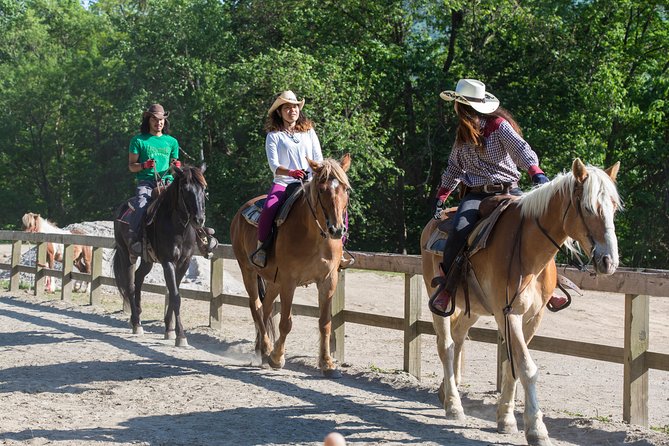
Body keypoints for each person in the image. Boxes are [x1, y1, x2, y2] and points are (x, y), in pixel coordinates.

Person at [431, 78, 567, 314]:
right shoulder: (462, 135)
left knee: (538, 227)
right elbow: (454, 168)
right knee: (459, 231)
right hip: (476, 196)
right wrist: (442, 194)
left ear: (460, 106)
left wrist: (536, 173)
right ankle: (448, 288)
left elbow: (521, 149)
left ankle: (547, 284)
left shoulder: (498, 126)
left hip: (509, 191)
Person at [127, 103, 217, 257]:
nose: (159, 122)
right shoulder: (138, 140)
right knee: (141, 204)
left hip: (168, 182)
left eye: (161, 119)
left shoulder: (172, 142)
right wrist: (143, 165)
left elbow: (175, 164)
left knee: (188, 200)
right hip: (147, 182)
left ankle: (202, 236)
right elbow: (131, 166)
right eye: (155, 119)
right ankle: (136, 240)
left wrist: (176, 165)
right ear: (148, 120)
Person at [250, 90, 325, 268]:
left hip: (309, 182)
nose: (293, 110)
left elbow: (318, 157)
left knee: (335, 202)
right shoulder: (273, 136)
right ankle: (261, 249)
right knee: (269, 208)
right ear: (279, 112)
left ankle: (340, 246)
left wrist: (317, 173)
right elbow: (274, 165)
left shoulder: (308, 131)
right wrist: (291, 172)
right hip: (284, 183)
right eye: (288, 108)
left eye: (295, 107)